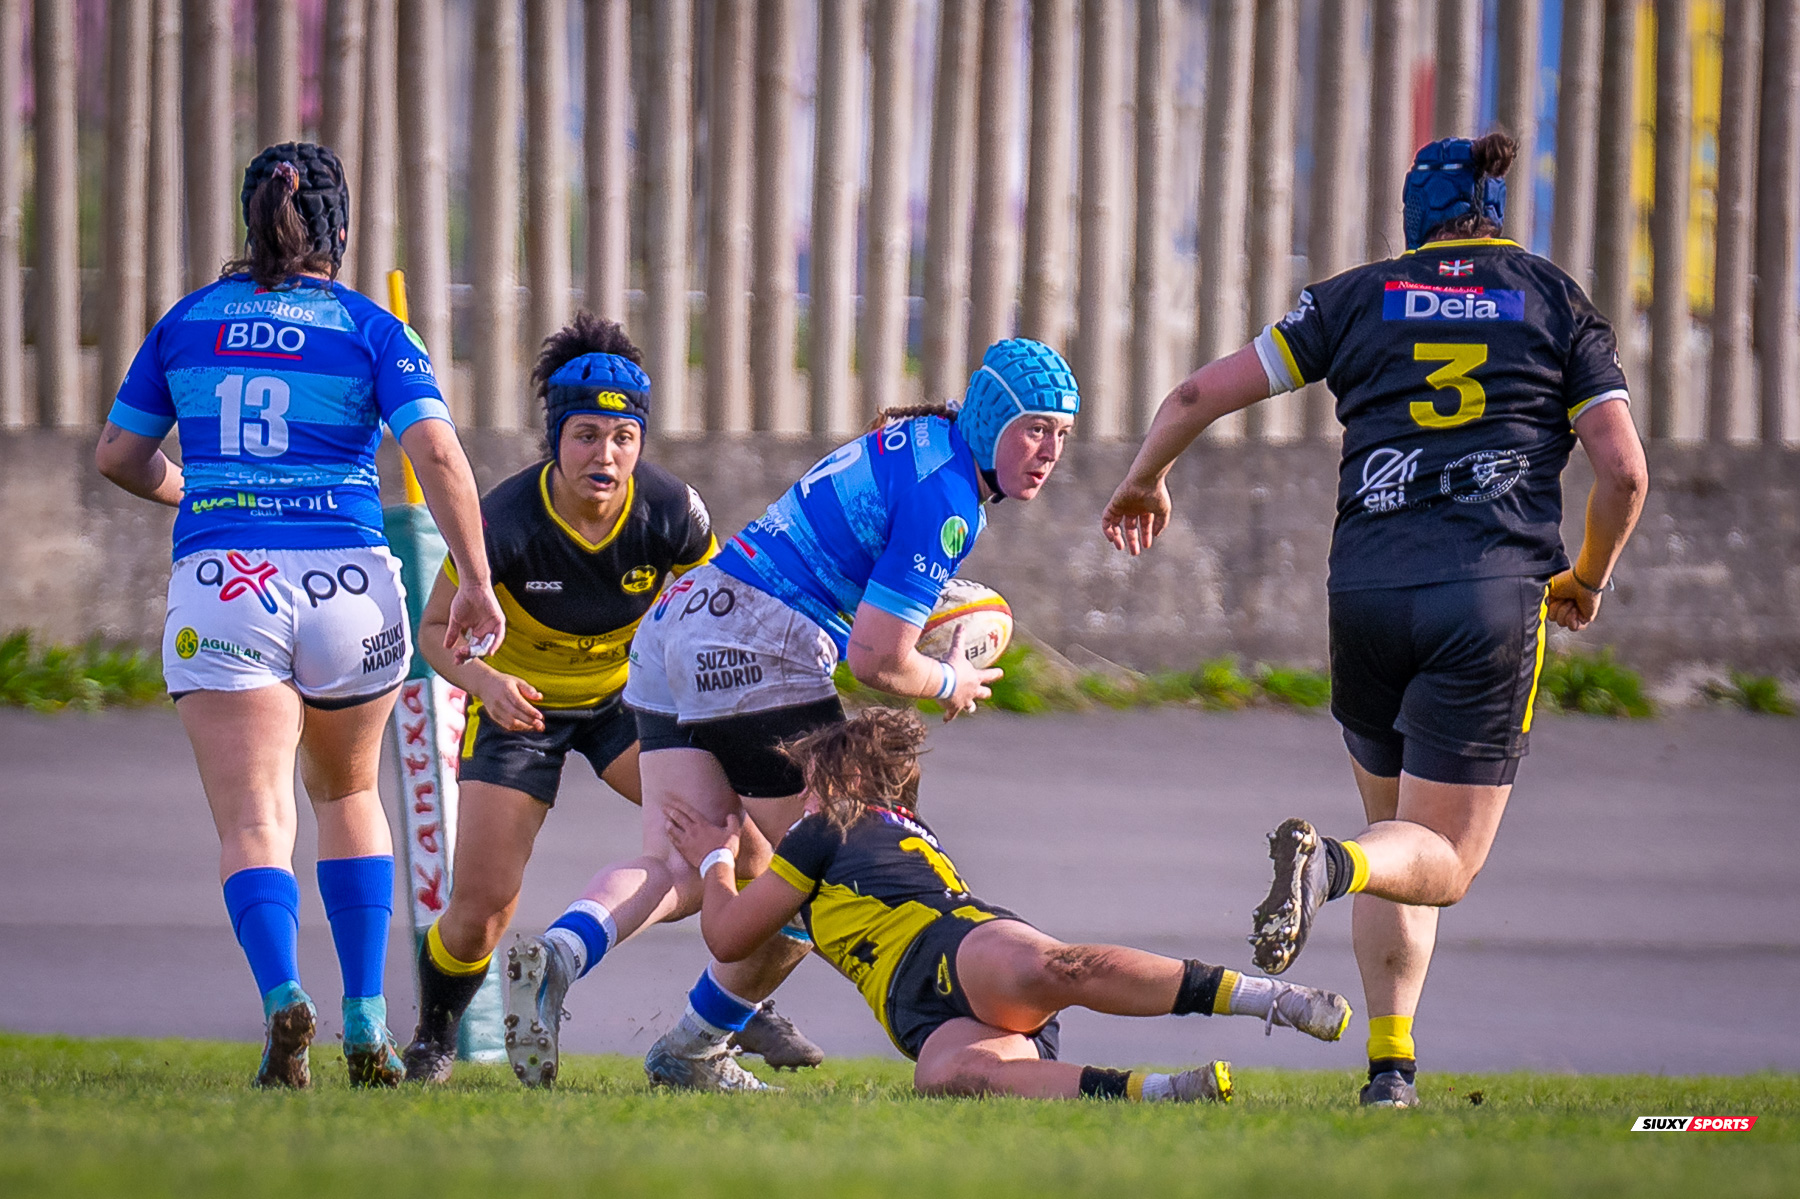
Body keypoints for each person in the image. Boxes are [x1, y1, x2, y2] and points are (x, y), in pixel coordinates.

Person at [1101, 133, 1649, 1108]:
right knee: (1437, 859)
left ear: (1415, 216)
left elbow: (1195, 391)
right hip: (1487, 598)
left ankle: (1390, 1067)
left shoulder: (1352, 297)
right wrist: (1589, 576)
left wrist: (1145, 477)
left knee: (1398, 830)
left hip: (1363, 595)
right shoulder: (1552, 298)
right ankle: (1332, 868)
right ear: (1492, 207)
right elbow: (1622, 469)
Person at [506, 338, 1082, 1091]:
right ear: (990, 417)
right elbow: (878, 658)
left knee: (686, 857)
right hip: (760, 644)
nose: (1048, 451)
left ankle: (558, 954)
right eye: (1033, 427)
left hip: (679, 624)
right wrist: (951, 681)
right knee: (819, 872)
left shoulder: (919, 439)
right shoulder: (949, 496)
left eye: (1062, 434)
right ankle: (695, 1048)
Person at [94, 143, 503, 1088]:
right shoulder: (370, 327)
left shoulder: (187, 322)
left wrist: (195, 488)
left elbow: (118, 453)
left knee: (252, 820)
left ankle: (284, 998)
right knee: (348, 794)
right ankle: (367, 1014)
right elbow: (439, 459)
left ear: (250, 223)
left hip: (225, 581)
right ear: (343, 233)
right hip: (348, 584)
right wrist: (476, 579)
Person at [399, 312, 820, 1082]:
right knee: (483, 908)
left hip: (626, 708)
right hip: (519, 710)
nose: (607, 453)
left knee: (742, 841)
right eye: (587, 434)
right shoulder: (504, 523)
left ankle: (737, 1011)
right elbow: (433, 630)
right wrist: (487, 684)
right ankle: (432, 1036)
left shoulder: (670, 512)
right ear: (556, 437)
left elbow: (717, 611)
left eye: (623, 437)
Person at [661, 707, 1353, 1100]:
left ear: (845, 782)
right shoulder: (846, 840)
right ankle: (1167, 1090)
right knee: (948, 1075)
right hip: (919, 1011)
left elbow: (725, 935)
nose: (804, 796)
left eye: (813, 780)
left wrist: (717, 857)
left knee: (1060, 968)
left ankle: (1271, 999)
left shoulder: (831, 824)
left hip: (954, 946)